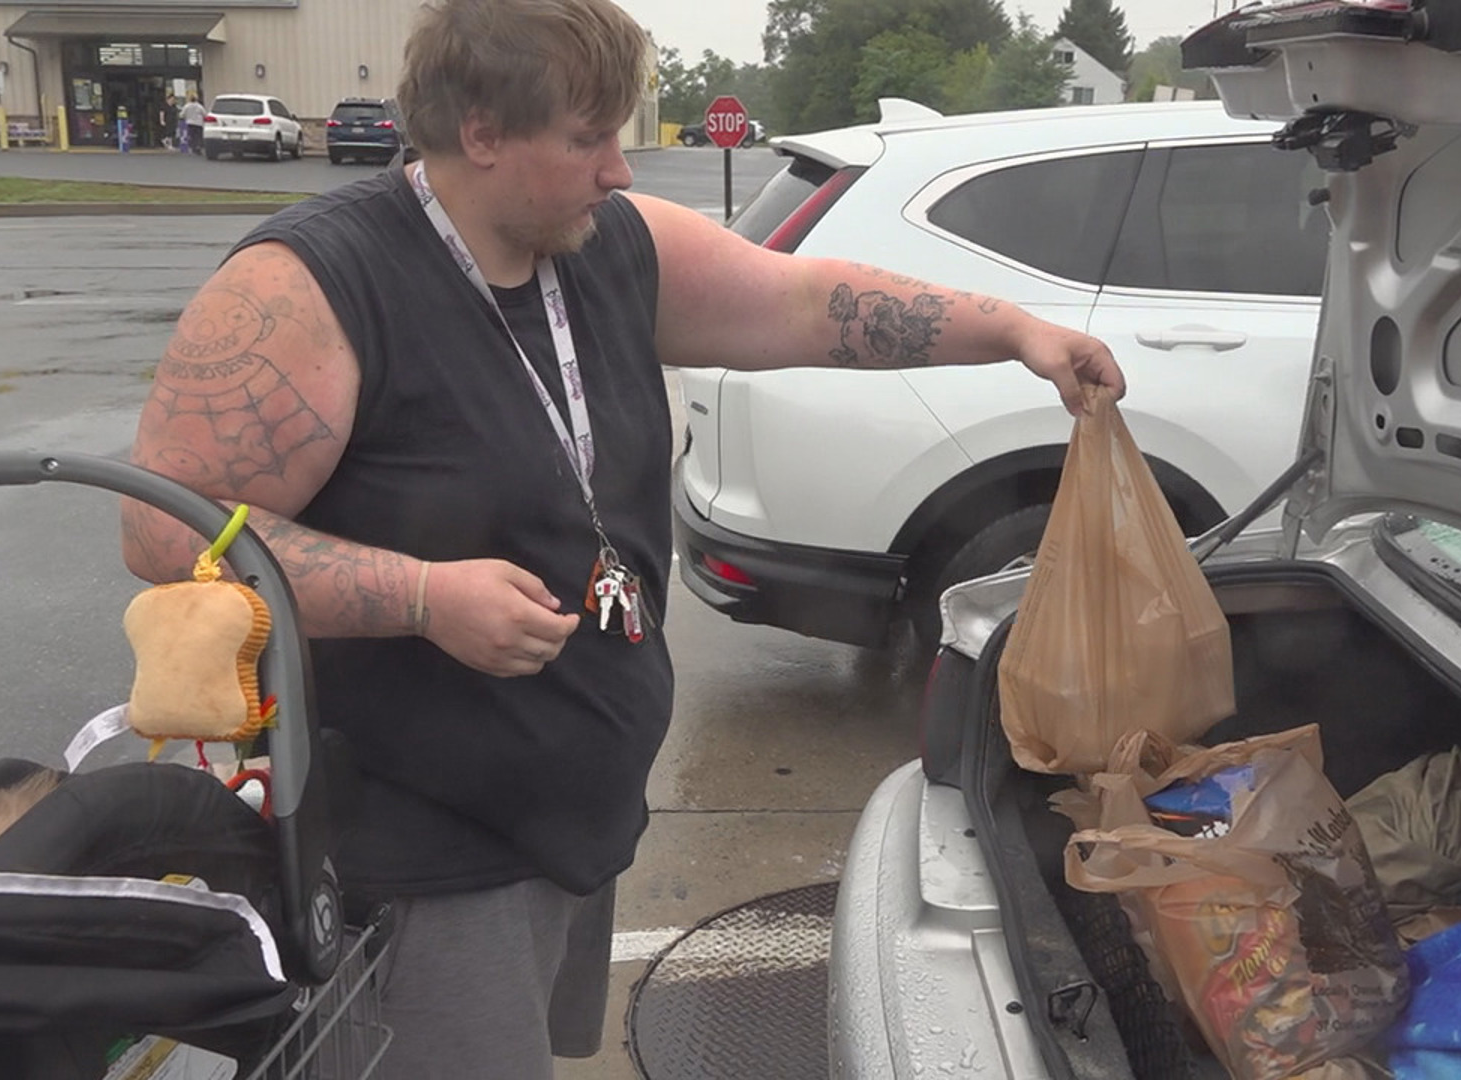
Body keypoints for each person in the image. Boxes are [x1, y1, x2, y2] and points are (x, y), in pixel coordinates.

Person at [118, 0, 1124, 1074]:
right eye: (588, 137)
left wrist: (1013, 332)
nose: (621, 171)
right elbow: (160, 527)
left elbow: (799, 304)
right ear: (481, 131)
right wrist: (418, 596)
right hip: (420, 855)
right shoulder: (314, 287)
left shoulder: (602, 246)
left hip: (572, 820)